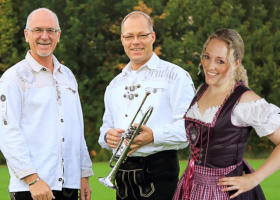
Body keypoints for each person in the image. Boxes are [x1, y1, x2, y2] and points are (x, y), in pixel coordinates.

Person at [173, 28, 280, 200]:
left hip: (223, 192)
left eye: (220, 61)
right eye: (207, 57)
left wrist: (253, 179)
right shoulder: (202, 89)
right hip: (191, 186)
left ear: (236, 63)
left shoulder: (244, 100)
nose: (210, 66)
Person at [99, 11, 195, 200]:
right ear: (122, 40)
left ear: (152, 37)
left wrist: (154, 136)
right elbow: (105, 129)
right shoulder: (115, 85)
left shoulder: (175, 76)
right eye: (129, 36)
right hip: (123, 175)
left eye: (142, 35)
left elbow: (191, 131)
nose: (135, 41)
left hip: (158, 173)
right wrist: (107, 137)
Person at [0, 8, 93, 200]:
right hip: (32, 189)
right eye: (38, 30)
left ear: (58, 35)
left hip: (69, 186)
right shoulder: (13, 78)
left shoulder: (67, 76)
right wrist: (32, 179)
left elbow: (76, 129)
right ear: (27, 35)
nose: (45, 36)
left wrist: (84, 175)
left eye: (51, 30)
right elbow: (7, 133)